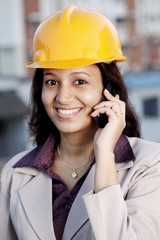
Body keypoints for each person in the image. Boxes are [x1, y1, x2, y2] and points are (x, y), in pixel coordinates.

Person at [0, 5, 160, 240]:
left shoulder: (149, 165)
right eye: (52, 82)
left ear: (109, 89)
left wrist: (105, 154)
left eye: (80, 82)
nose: (63, 97)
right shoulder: (15, 174)